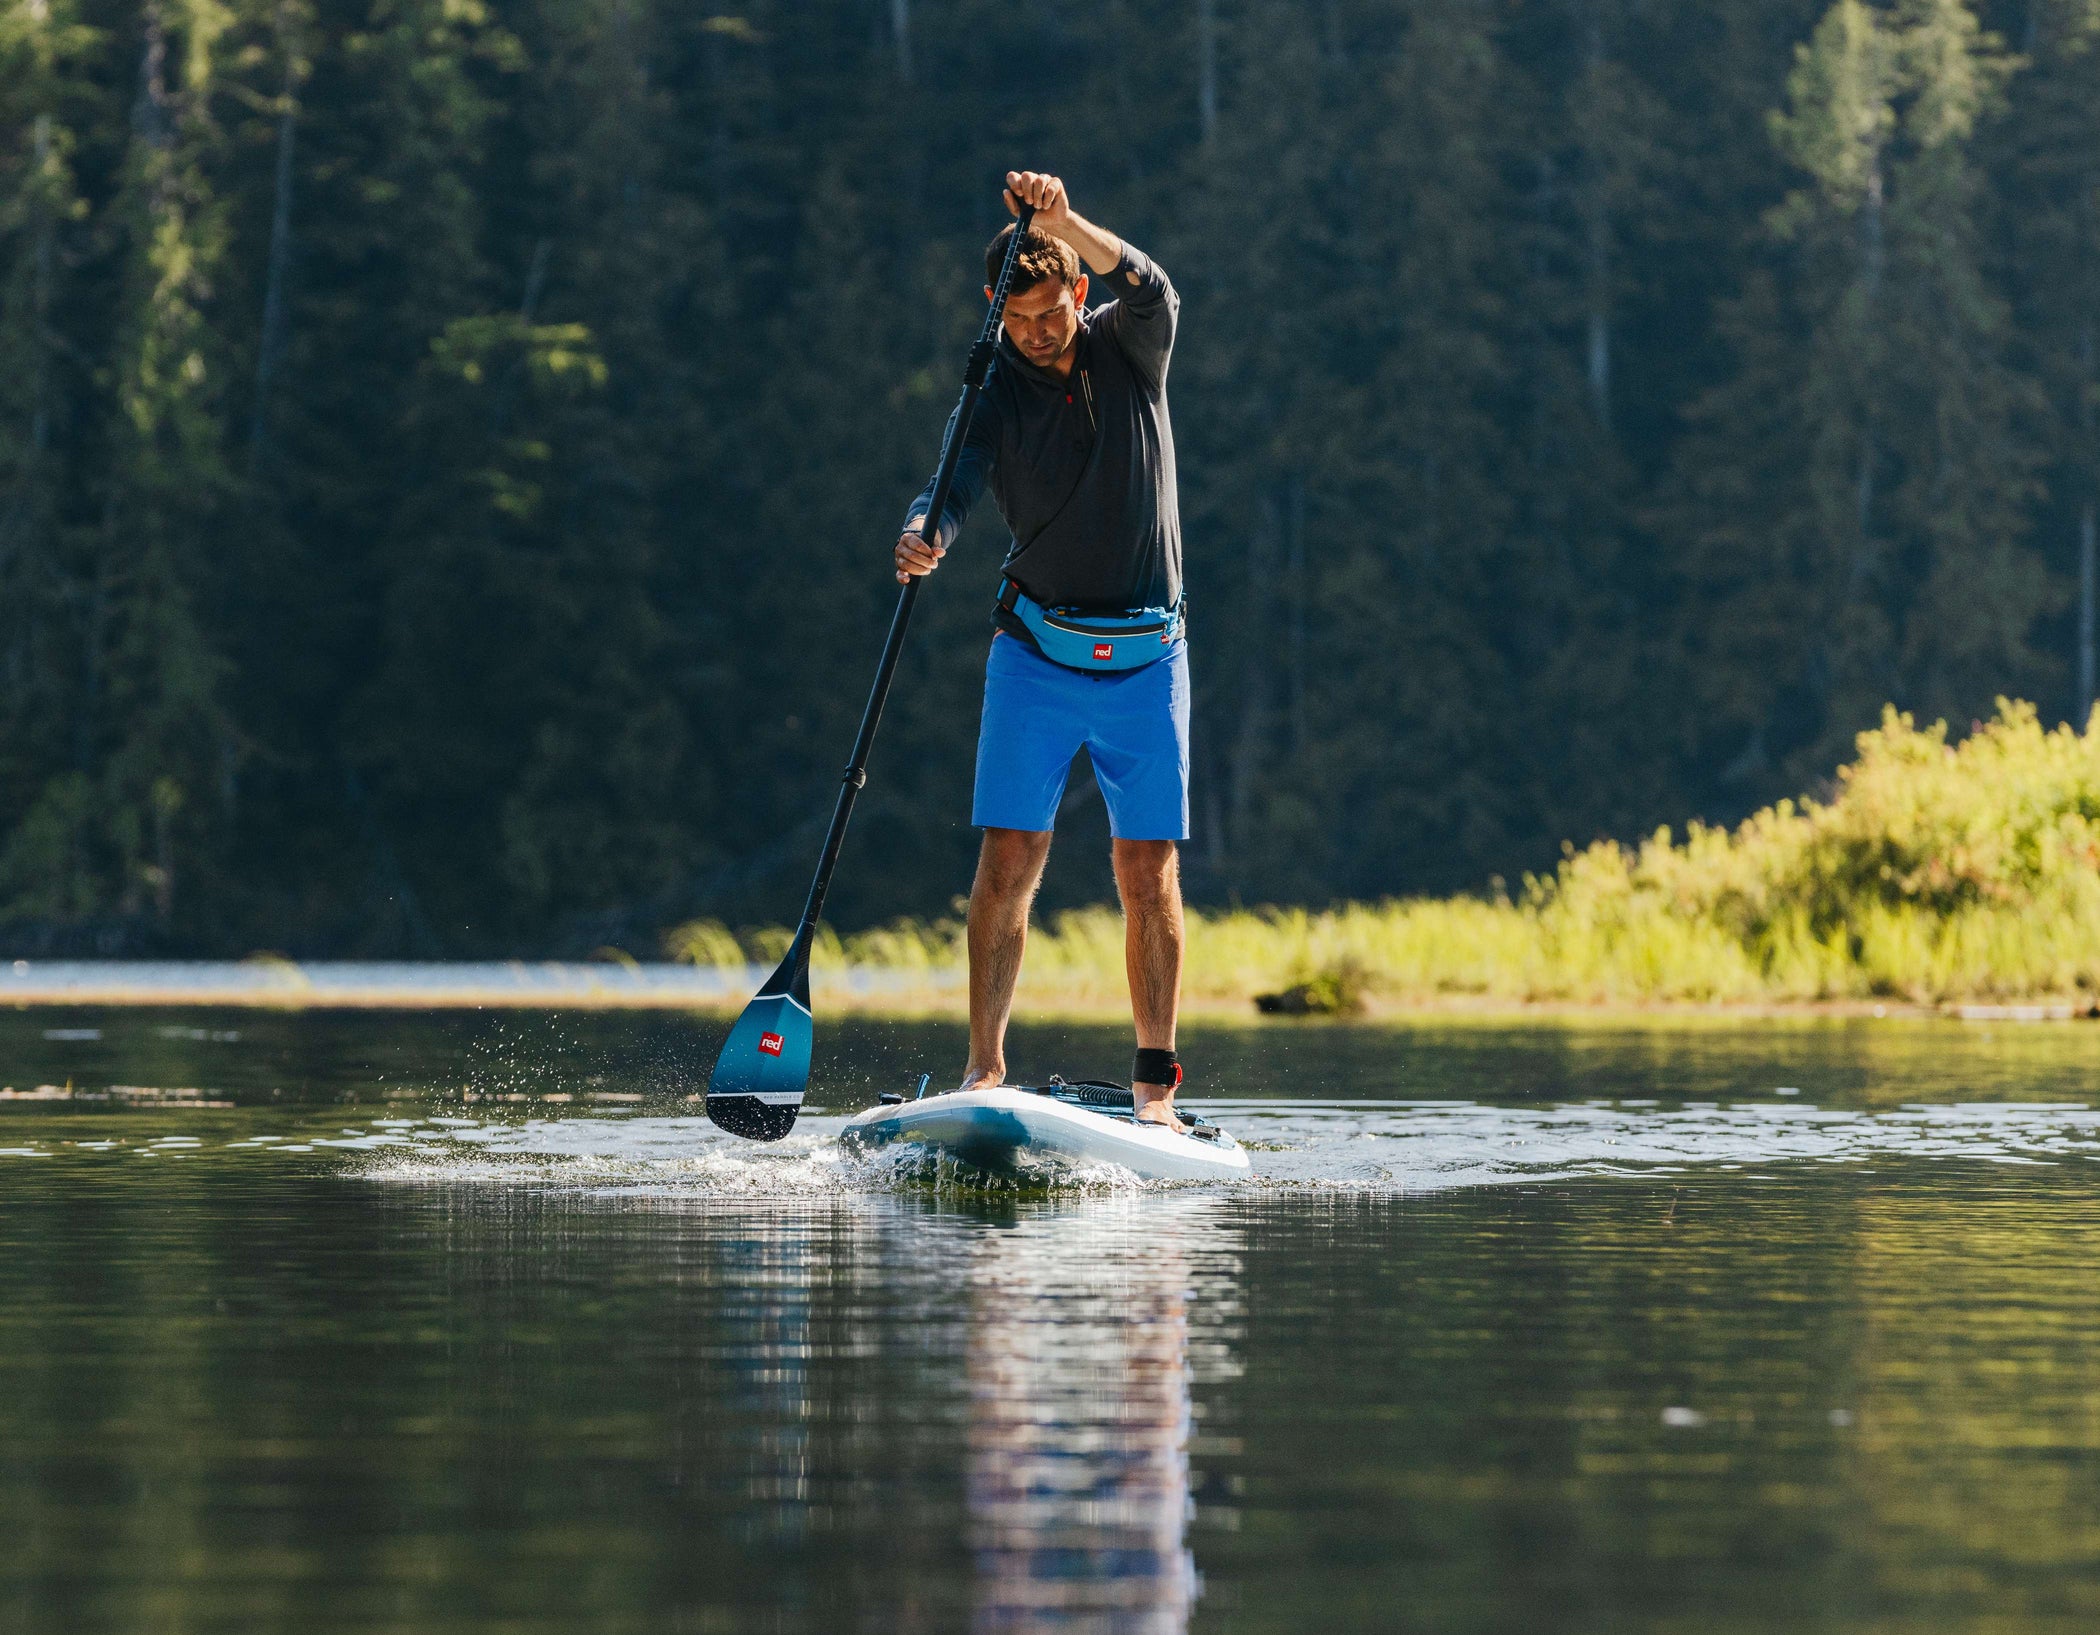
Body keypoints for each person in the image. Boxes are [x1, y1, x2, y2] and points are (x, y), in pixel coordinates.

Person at [895, 169, 1190, 1131]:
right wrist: (927, 533)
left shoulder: (1129, 345)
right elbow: (949, 485)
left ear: (1076, 292)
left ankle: (1155, 1092)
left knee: (1145, 870)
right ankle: (984, 1069)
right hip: (1036, 651)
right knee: (1009, 858)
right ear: (995, 307)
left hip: (1148, 658)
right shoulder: (990, 390)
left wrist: (1065, 220)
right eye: (1015, 317)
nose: (1035, 332)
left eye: (1050, 312)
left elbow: (1154, 285)